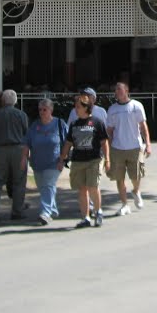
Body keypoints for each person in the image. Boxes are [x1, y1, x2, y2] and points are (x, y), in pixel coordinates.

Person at [60, 97, 110, 228]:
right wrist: (62, 158)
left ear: (86, 107)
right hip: (78, 160)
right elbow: (68, 143)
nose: (76, 109)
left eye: (78, 107)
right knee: (82, 189)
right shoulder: (74, 124)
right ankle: (85, 217)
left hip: (94, 159)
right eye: (76, 107)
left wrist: (107, 160)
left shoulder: (97, 122)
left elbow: (104, 143)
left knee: (93, 186)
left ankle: (98, 212)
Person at [0, 88, 29, 221]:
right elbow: (27, 136)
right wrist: (27, 154)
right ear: (15, 101)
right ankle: (17, 211)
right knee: (19, 181)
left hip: (0, 150)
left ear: (3, 100)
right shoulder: (22, 115)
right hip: (18, 150)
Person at [106, 81, 151, 216]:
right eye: (116, 90)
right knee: (119, 178)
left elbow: (143, 126)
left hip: (134, 146)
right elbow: (110, 130)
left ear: (126, 91)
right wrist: (108, 150)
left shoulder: (136, 106)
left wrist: (148, 144)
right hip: (117, 148)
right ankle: (124, 204)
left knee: (136, 175)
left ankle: (136, 190)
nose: (117, 92)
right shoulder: (112, 109)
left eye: (120, 90)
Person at [23, 98, 67, 226]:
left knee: (48, 185)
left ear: (51, 110)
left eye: (45, 109)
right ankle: (52, 209)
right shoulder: (34, 126)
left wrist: (62, 159)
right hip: (37, 163)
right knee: (44, 188)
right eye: (40, 110)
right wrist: (24, 159)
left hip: (54, 162)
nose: (42, 112)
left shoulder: (59, 124)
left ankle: (45, 213)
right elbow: (27, 143)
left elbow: (67, 143)